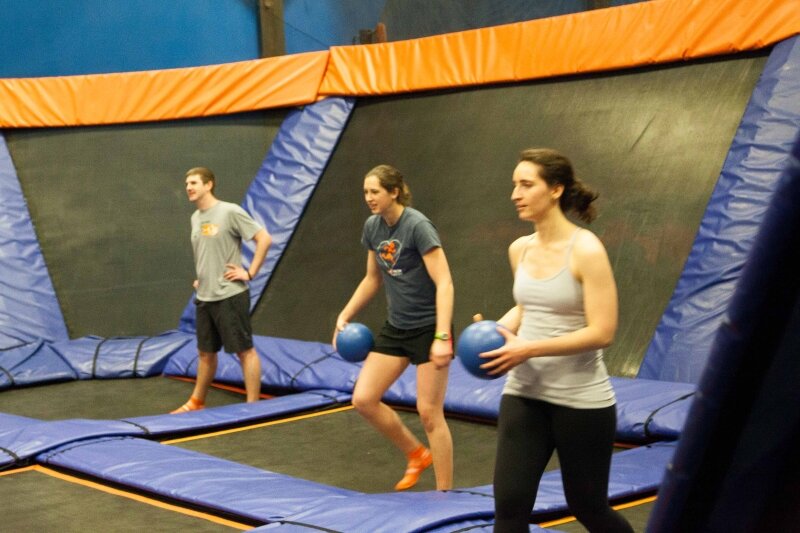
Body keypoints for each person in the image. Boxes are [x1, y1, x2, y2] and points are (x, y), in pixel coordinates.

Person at [479, 149, 633, 532]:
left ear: (556, 190)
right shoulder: (520, 248)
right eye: (514, 184)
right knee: (509, 509)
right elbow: (529, 306)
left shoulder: (586, 249)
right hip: (525, 393)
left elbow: (603, 332)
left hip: (579, 400)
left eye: (526, 184)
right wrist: (495, 331)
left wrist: (528, 348)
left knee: (587, 506)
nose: (516, 193)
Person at [333, 164, 455, 491]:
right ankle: (416, 453)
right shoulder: (373, 227)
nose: (369, 198)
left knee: (429, 413)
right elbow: (372, 278)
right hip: (397, 326)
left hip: (429, 327)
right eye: (365, 193)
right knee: (363, 398)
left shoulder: (417, 226)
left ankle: (446, 496)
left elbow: (444, 282)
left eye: (375, 192)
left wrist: (443, 336)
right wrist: (344, 314)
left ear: (394, 192)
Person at [171, 167, 272, 413]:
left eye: (193, 182)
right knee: (205, 352)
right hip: (205, 295)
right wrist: (202, 278)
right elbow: (208, 252)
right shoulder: (195, 218)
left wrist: (249, 273)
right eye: (186, 184)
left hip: (230, 295)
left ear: (209, 185)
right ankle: (196, 401)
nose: (188, 187)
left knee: (244, 350)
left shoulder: (229, 212)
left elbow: (264, 239)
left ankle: (253, 406)